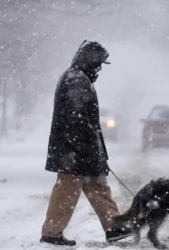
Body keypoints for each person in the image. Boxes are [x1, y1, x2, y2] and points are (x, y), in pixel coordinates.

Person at [40, 40, 132, 246]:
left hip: (81, 149)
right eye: (97, 63)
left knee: (98, 187)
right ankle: (52, 233)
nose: (99, 68)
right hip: (73, 150)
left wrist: (95, 149)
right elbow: (77, 117)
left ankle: (114, 227)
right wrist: (88, 145)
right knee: (67, 190)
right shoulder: (76, 80)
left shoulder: (79, 78)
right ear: (88, 61)